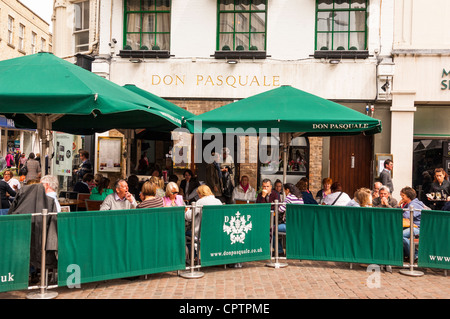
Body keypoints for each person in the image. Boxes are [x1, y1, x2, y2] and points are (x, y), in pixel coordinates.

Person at [397, 186, 429, 260]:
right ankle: (405, 255)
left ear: (408, 196)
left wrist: (399, 206)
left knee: (401, 235)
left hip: (419, 228)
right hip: (413, 226)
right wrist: (399, 206)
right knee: (396, 233)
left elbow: (406, 216)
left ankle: (415, 255)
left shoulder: (414, 204)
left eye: (403, 195)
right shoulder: (411, 203)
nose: (401, 197)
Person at [275, 183, 304, 254]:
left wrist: (278, 206)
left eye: (284, 190)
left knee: (273, 229)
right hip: (298, 225)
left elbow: (280, 210)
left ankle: (279, 250)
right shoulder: (300, 198)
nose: (284, 192)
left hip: (289, 225)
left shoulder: (289, 197)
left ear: (287, 190)